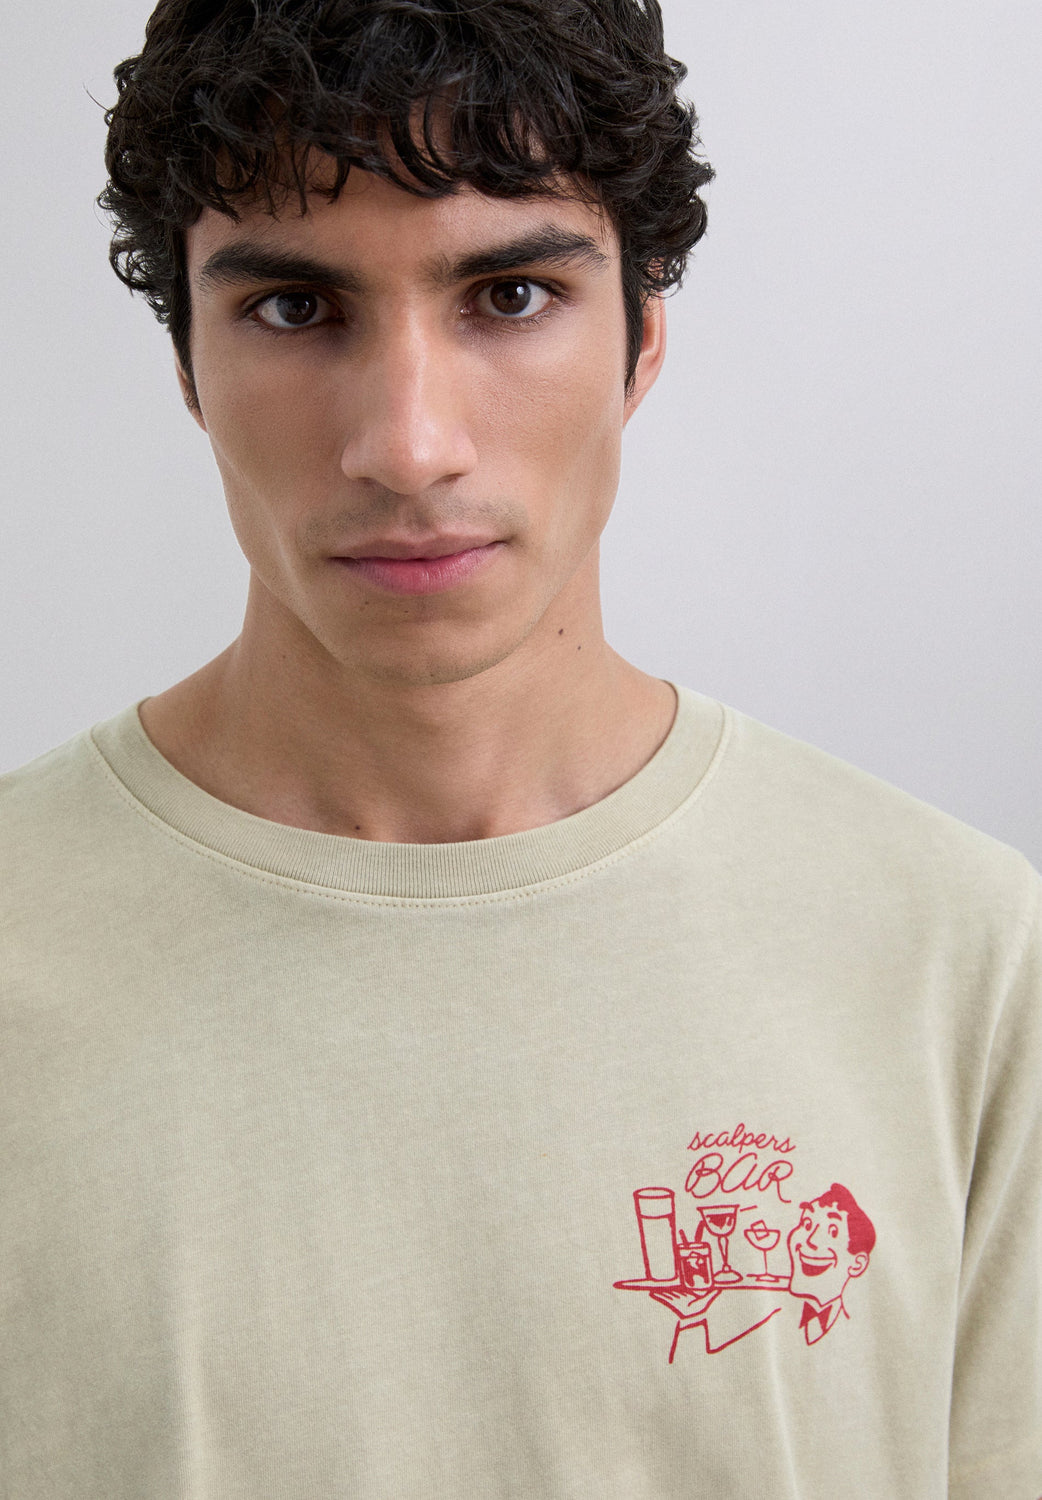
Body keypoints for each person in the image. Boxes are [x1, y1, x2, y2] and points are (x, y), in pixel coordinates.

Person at [0, 1, 1039, 1496]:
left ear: (641, 342)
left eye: (508, 294)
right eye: (293, 308)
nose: (407, 444)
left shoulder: (961, 957)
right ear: (185, 365)